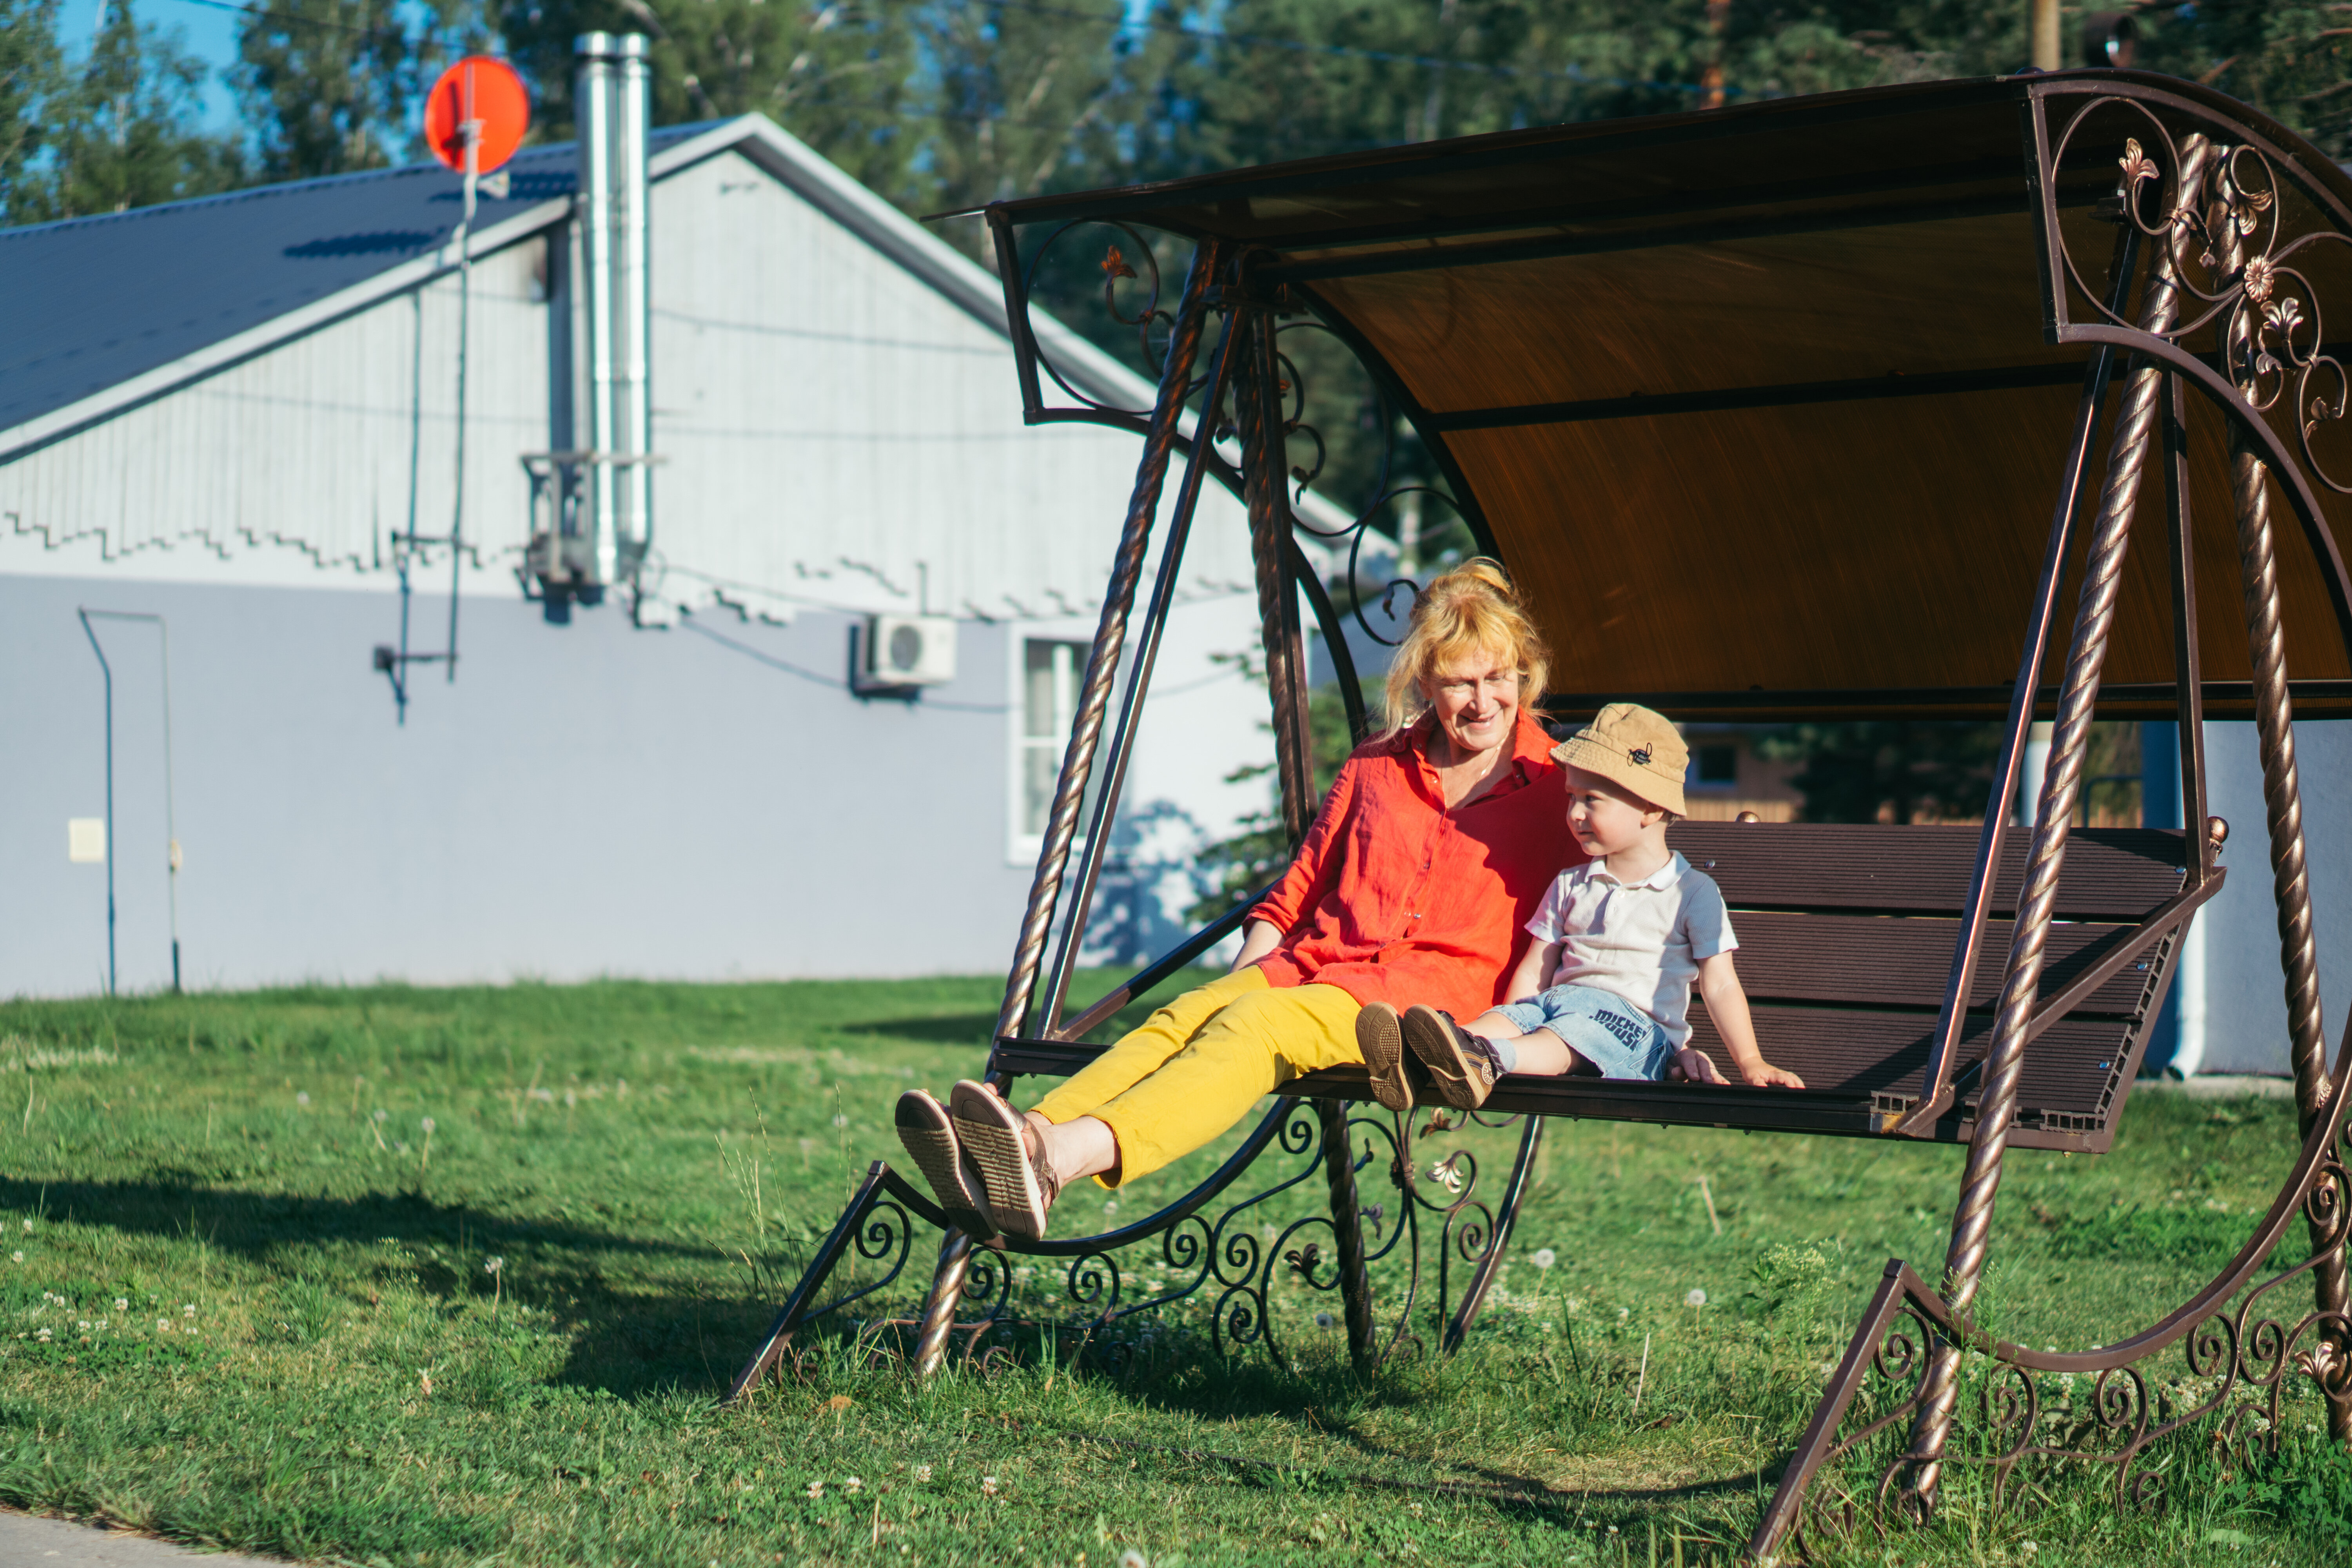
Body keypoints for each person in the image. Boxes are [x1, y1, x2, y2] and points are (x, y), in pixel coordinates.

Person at [894, 559, 1581, 1240]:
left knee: (1256, 1028)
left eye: (1499, 678)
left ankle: (1056, 1165)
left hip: (1421, 1009)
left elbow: (1625, 901)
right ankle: (1024, 1139)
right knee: (1189, 1013)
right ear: (1425, 681)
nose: (1483, 701)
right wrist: (1241, 981)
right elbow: (1296, 893)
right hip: (1313, 969)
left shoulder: (1562, 787)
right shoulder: (1377, 763)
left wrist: (1614, 1034)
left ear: (1525, 673)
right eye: (1461, 682)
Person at [1359, 702, 1806, 1110]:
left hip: (1635, 1030)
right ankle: (1422, 1060)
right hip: (1557, 1004)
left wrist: (1750, 1061)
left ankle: (1485, 1060)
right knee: (1504, 1020)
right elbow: (1538, 966)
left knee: (1568, 1036)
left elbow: (1721, 985)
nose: (1574, 813)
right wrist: (1515, 1016)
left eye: (1591, 800)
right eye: (1571, 797)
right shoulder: (1572, 883)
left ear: (1649, 808)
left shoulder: (1692, 892)